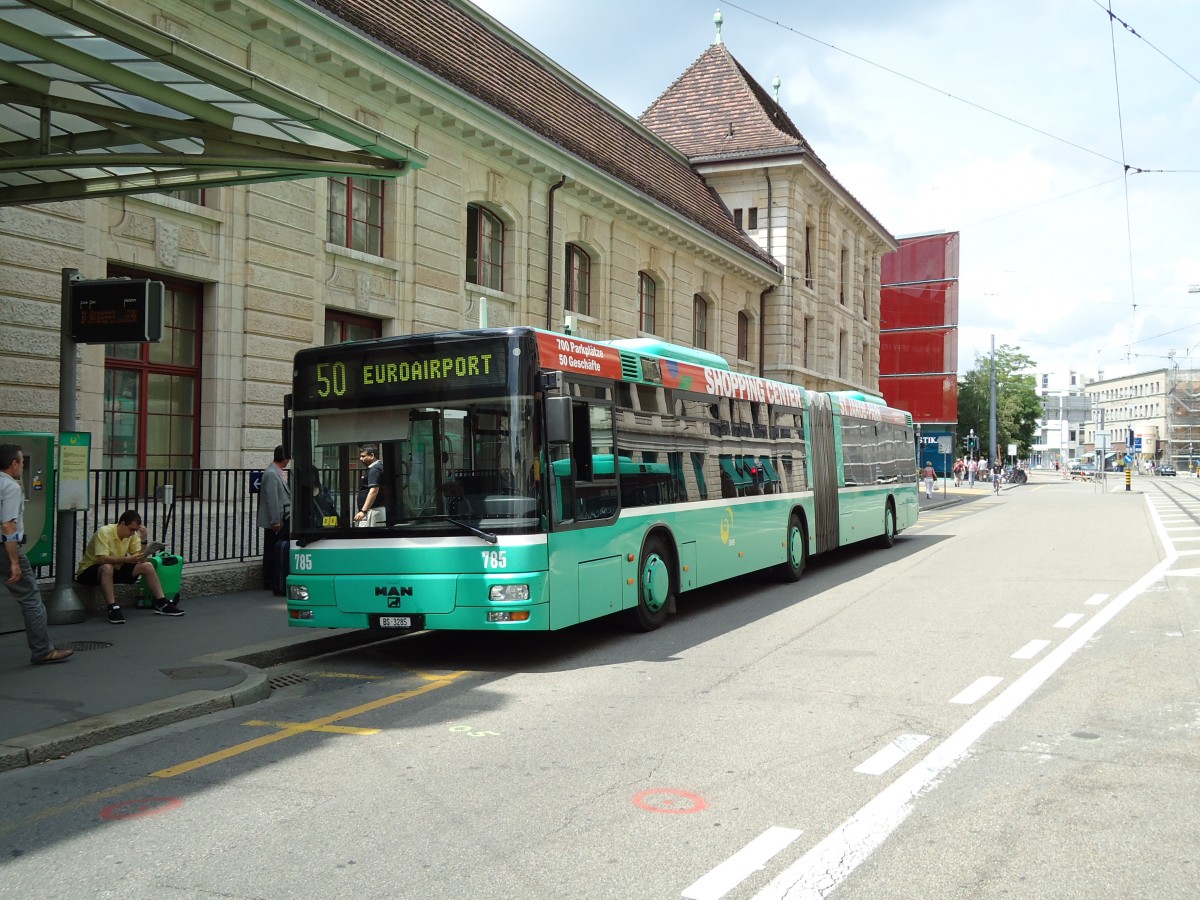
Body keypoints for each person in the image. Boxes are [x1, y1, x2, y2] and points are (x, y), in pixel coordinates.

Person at [0, 444, 73, 665]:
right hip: (4, 550)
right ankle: (42, 650)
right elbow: (8, 526)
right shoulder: (10, 487)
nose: (23, 467)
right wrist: (14, 560)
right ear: (14, 464)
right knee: (31, 599)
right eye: (22, 462)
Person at [76, 509, 183, 623]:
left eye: (135, 530)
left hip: (116, 568)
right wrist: (127, 559)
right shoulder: (104, 532)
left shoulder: (131, 535)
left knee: (147, 566)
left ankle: (162, 603)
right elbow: (102, 559)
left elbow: (141, 560)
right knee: (107, 567)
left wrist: (143, 541)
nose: (133, 533)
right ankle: (112, 607)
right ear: (122, 523)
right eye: (131, 529)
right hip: (90, 570)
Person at [257, 445, 291, 594]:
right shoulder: (271, 473)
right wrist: (275, 520)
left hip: (281, 517)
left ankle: (272, 578)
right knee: (271, 550)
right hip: (276, 519)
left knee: (273, 548)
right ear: (284, 458)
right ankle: (269, 580)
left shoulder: (276, 472)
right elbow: (272, 499)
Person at [354, 444, 385, 527]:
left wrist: (363, 511)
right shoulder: (376, 468)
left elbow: (374, 491)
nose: (361, 459)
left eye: (363, 456)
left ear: (372, 455)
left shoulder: (374, 469)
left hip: (372, 511)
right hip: (371, 510)